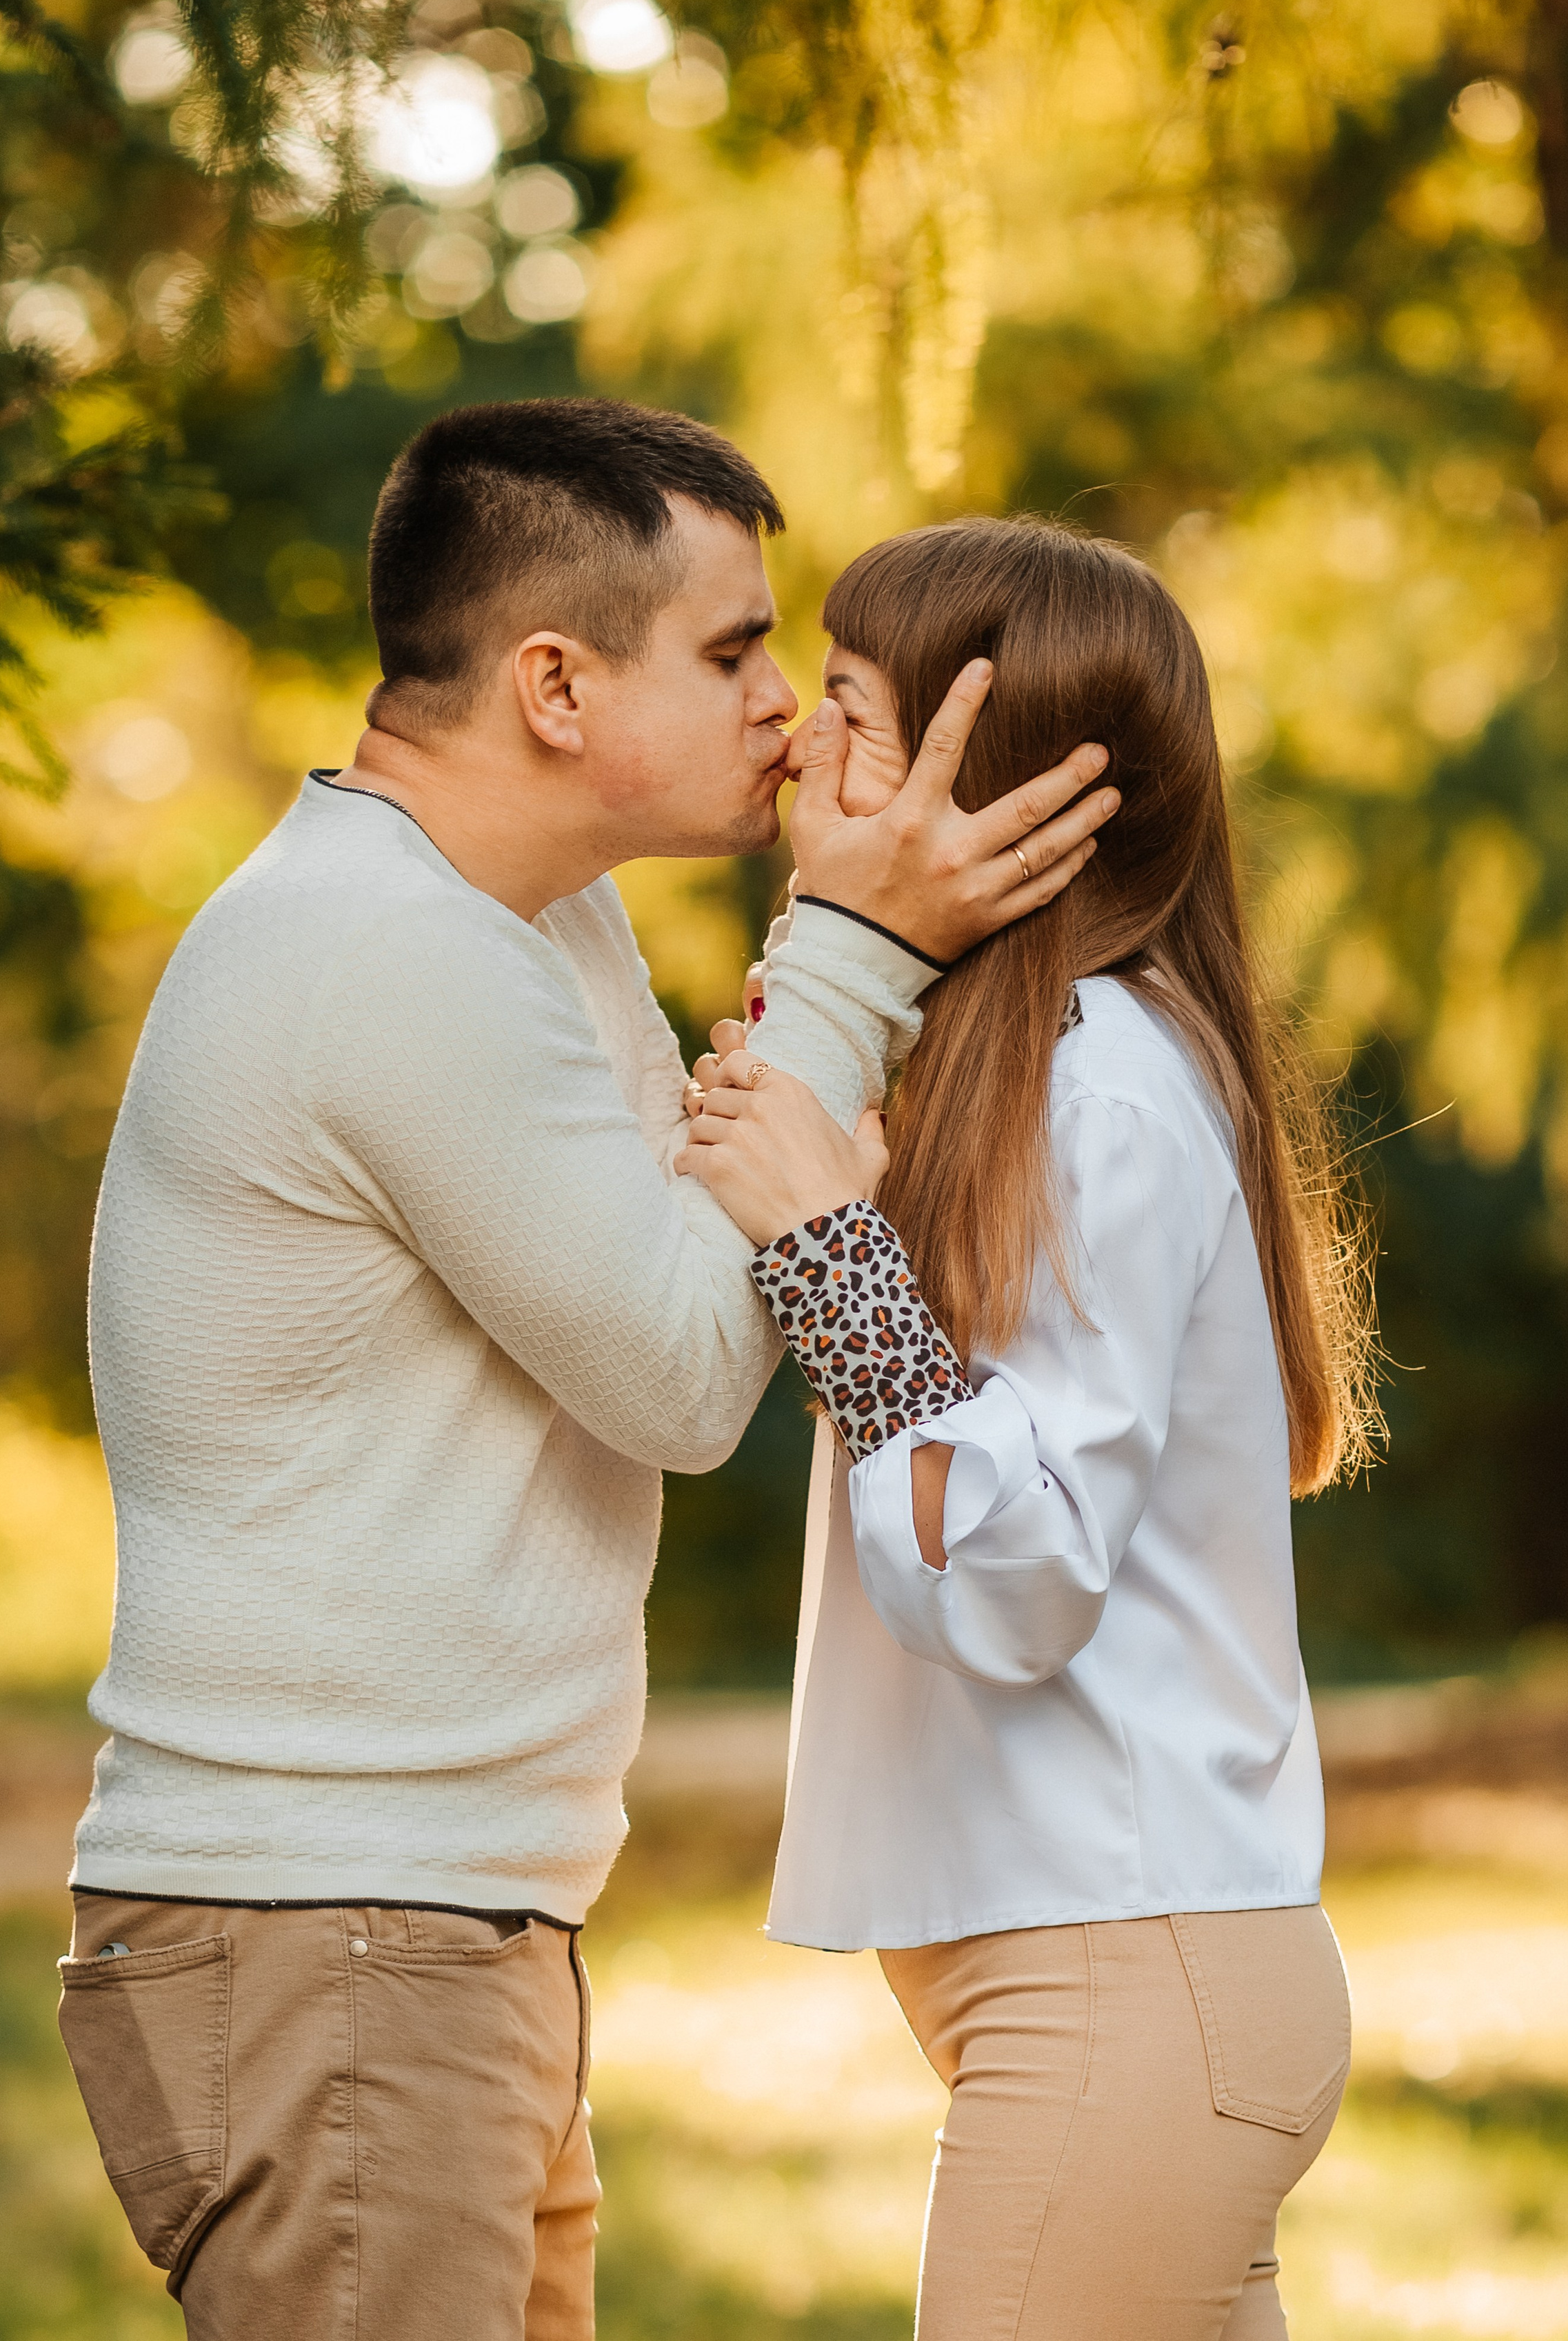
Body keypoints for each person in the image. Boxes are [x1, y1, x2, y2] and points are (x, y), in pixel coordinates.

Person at [54, 401, 1119, 2341]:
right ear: (553, 681)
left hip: (441, 1925)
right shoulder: (381, 950)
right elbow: (699, 1368)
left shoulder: (540, 924)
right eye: (732, 653)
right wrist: (864, 945)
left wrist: (835, 968)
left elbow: (709, 1223)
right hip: (334, 1932)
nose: (785, 710)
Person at [676, 513, 1378, 2341]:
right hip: (1125, 1983)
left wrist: (831, 1251)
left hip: (1128, 1981)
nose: (792, 740)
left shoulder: (1102, 1093)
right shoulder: (1029, 1076)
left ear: (976, 775)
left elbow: (1018, 1572)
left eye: (840, 703)